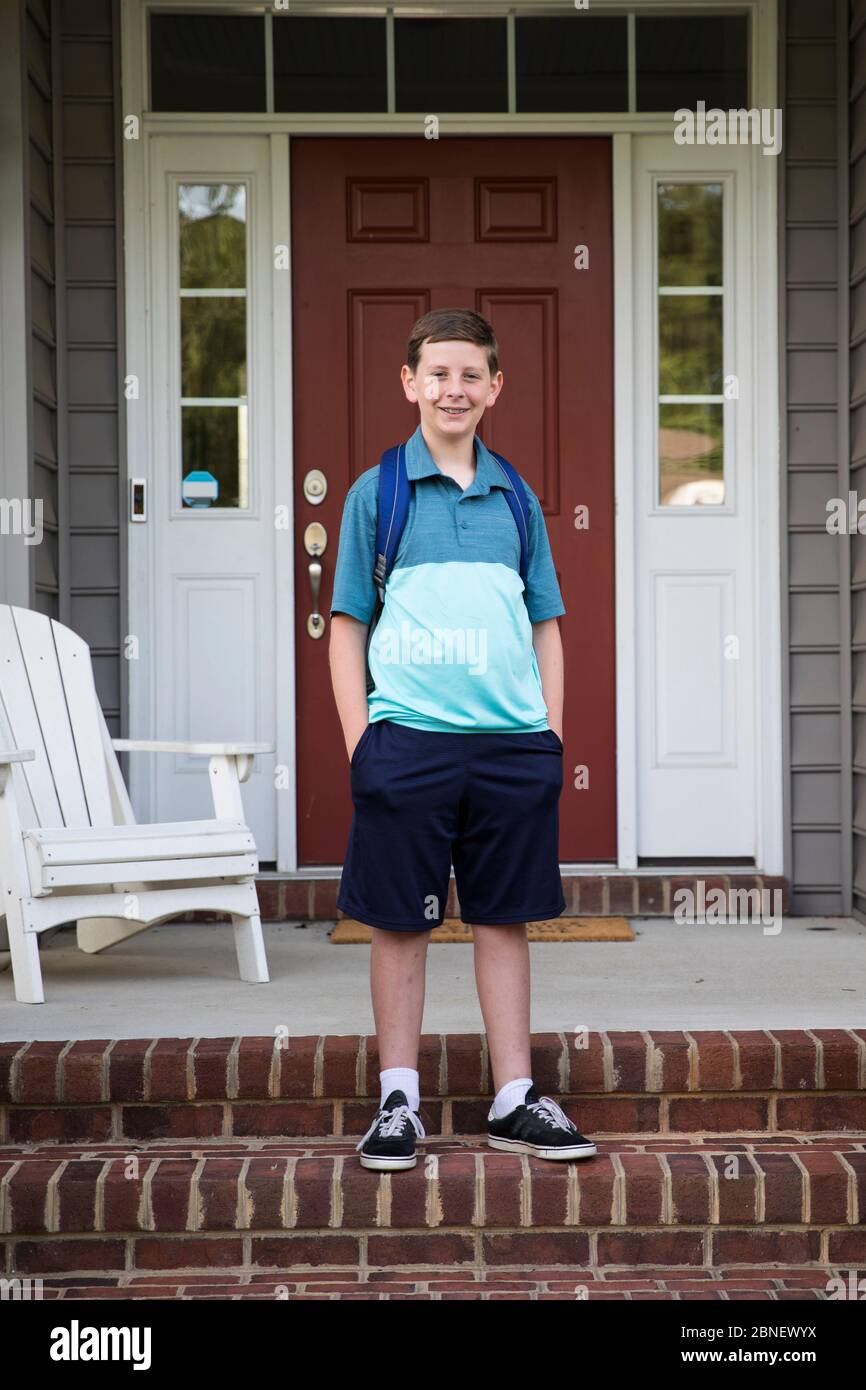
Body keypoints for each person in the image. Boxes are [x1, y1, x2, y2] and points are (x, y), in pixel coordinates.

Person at [328, 307, 597, 1171]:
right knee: (399, 924)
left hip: (511, 747)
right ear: (409, 383)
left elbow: (546, 623)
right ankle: (398, 1098)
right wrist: (361, 744)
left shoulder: (518, 498)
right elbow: (345, 628)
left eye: (470, 374)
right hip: (407, 741)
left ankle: (514, 1095)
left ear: (494, 388)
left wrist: (550, 737)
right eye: (437, 373)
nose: (453, 388)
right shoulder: (380, 493)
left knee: (504, 919)